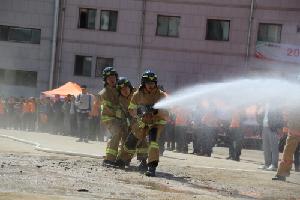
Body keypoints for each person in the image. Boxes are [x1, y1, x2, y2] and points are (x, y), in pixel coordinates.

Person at [116, 70, 168, 177]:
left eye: (153, 83)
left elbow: (166, 114)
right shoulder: (137, 95)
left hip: (156, 123)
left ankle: (151, 167)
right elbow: (131, 109)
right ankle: (123, 160)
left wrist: (156, 111)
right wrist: (140, 112)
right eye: (148, 83)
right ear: (144, 82)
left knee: (152, 142)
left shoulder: (161, 95)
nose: (151, 85)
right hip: (142, 121)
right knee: (131, 140)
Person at [99, 67, 125, 166]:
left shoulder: (119, 88)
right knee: (116, 133)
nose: (112, 79)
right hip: (109, 118)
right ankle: (109, 159)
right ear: (105, 80)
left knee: (124, 135)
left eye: (113, 77)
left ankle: (121, 158)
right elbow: (111, 107)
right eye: (109, 78)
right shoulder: (104, 93)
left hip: (120, 118)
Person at [273, 106, 300, 181]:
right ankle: (282, 173)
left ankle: (282, 174)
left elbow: (286, 115)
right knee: (287, 153)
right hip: (293, 129)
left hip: (294, 130)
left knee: (287, 153)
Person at [258, 104, 283, 171]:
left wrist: (278, 127)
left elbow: (280, 117)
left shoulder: (276, 104)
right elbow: (259, 115)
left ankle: (274, 165)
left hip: (272, 128)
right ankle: (267, 164)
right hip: (264, 127)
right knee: (266, 148)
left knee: (274, 148)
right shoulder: (263, 104)